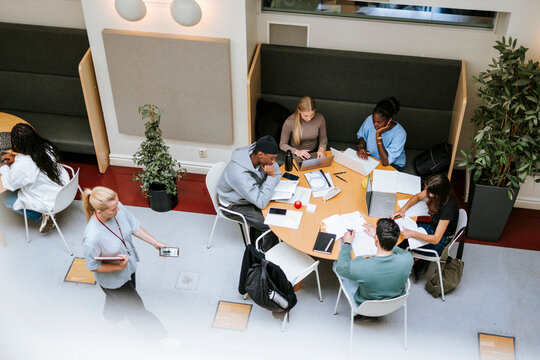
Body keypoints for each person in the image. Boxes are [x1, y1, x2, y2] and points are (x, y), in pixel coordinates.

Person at [82, 186, 169, 340]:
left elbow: (133, 226)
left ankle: (110, 319)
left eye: (117, 205)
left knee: (116, 297)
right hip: (114, 280)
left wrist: (156, 243)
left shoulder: (118, 208)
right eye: (113, 209)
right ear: (99, 211)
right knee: (137, 310)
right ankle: (161, 339)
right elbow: (92, 266)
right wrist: (119, 266)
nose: (118, 210)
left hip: (129, 267)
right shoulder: (92, 238)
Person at [0, 123, 69, 233]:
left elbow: (10, 184)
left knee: (6, 199)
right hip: (63, 189)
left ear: (16, 145)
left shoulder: (23, 166)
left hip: (49, 199)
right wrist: (16, 158)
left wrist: (4, 167)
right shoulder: (46, 147)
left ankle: (42, 217)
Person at [217, 135, 282, 250]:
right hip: (233, 205)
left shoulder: (257, 155)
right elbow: (261, 202)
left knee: (279, 210)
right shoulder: (239, 174)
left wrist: (271, 177)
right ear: (260, 155)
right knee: (269, 224)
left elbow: (277, 173)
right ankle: (265, 251)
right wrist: (270, 178)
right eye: (272, 158)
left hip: (250, 195)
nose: (273, 162)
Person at [390, 173, 459, 279]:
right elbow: (418, 197)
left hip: (439, 241)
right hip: (434, 228)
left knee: (400, 239)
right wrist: (402, 209)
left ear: (439, 193)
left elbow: (436, 239)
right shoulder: (437, 190)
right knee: (403, 225)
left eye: (430, 193)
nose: (427, 194)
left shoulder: (448, 208)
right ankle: (418, 259)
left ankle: (406, 264)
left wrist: (413, 233)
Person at [335, 218, 413, 308]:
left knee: (335, 265)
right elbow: (395, 248)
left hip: (366, 306)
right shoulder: (408, 258)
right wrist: (384, 237)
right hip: (394, 303)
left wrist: (347, 244)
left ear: (376, 238)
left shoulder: (361, 266)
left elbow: (340, 267)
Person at [356, 96, 406, 170]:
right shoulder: (370, 119)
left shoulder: (400, 133)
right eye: (373, 120)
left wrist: (378, 135)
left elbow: (385, 161)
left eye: (379, 122)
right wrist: (361, 147)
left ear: (389, 120)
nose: (375, 125)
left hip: (392, 165)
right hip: (372, 160)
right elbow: (361, 136)